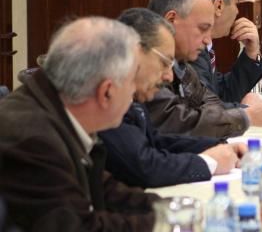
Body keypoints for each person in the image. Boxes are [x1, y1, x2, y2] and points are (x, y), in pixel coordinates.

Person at [0, 17, 157, 230]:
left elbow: (101, 189)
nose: (134, 90)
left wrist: (169, 208)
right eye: (132, 81)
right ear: (106, 92)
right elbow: (79, 227)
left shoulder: (51, 107)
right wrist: (165, 221)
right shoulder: (34, 140)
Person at [100, 8, 247, 188]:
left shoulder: (134, 94)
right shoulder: (107, 97)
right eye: (165, 63)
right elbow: (145, 167)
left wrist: (220, 146)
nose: (169, 76)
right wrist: (208, 162)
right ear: (136, 52)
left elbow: (157, 141)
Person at [147, 0, 262, 138]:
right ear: (170, 20)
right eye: (203, 28)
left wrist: (249, 111)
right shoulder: (147, 67)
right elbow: (179, 125)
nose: (208, 40)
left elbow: (211, 105)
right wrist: (247, 115)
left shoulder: (182, 65)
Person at [187, 0, 262, 103]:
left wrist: (251, 53)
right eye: (236, 3)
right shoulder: (191, 47)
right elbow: (206, 108)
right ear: (219, 6)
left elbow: (222, 94)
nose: (237, 11)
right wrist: (248, 112)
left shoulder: (203, 45)